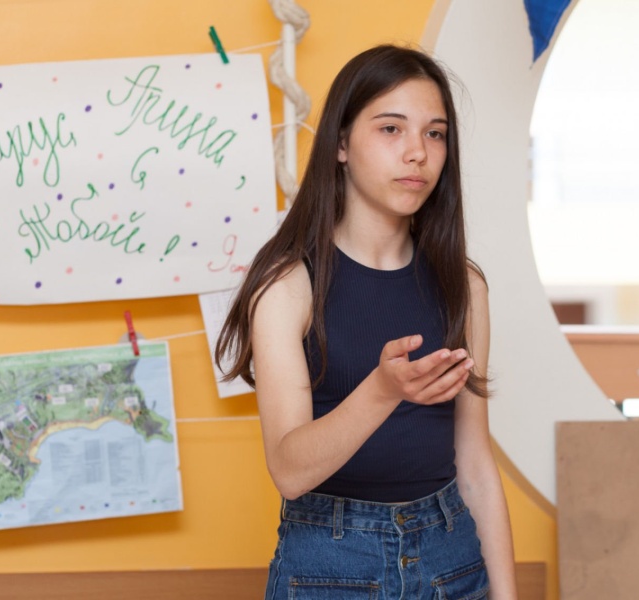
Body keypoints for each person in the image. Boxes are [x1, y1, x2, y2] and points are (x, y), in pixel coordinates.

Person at [216, 44, 517, 599]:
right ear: (340, 145)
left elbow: (475, 464)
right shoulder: (286, 286)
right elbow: (289, 471)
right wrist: (383, 390)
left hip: (452, 560)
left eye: (435, 133)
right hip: (330, 567)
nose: (417, 153)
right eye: (390, 129)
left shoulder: (464, 286)